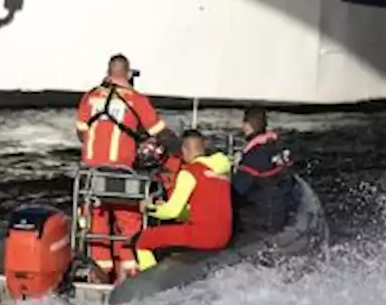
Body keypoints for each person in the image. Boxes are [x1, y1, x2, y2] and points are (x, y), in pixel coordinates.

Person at [74, 54, 172, 280]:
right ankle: (129, 273)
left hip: (91, 176)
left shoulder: (89, 97)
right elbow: (159, 132)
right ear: (128, 74)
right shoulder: (136, 99)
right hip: (121, 175)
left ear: (108, 72)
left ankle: (99, 273)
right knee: (129, 221)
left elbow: (81, 132)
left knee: (96, 222)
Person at [134, 129, 234, 271]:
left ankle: (151, 286)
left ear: (185, 150)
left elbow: (171, 212)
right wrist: (172, 210)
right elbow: (204, 210)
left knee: (145, 240)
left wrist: (149, 208)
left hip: (201, 235)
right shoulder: (222, 171)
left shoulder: (189, 172)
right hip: (224, 235)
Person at [232, 106, 298, 238]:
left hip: (263, 219)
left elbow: (236, 194)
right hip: (284, 209)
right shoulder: (278, 146)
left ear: (247, 126)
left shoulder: (252, 157)